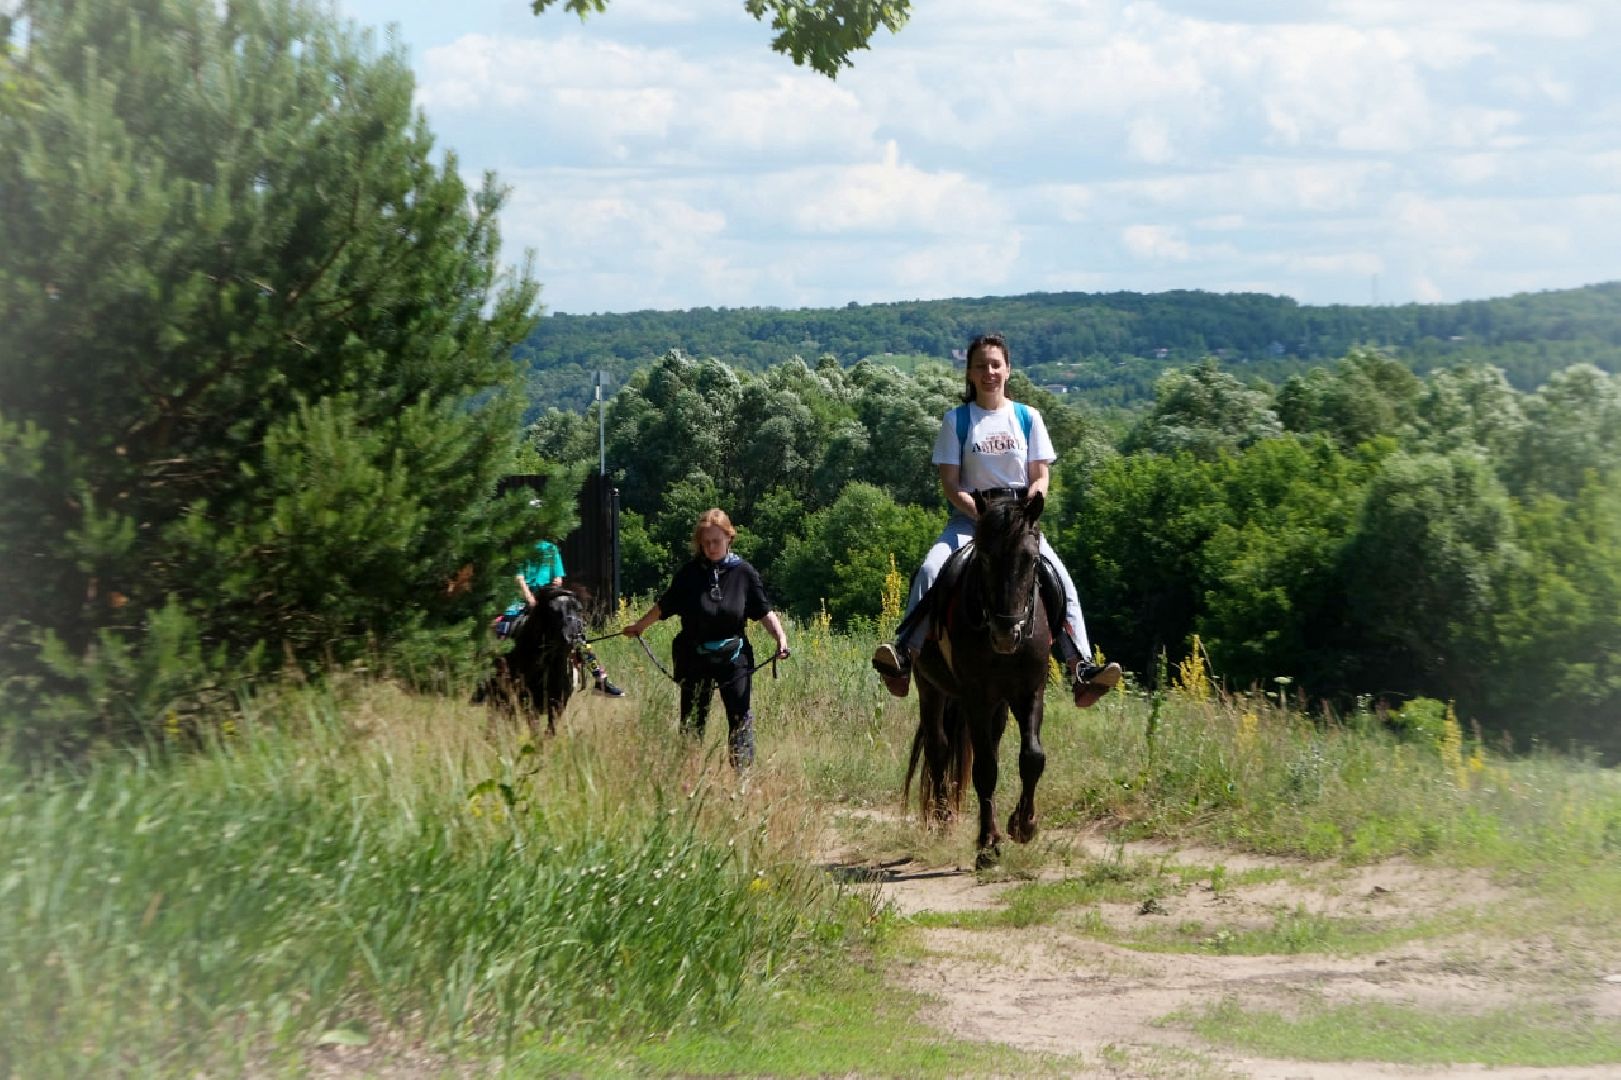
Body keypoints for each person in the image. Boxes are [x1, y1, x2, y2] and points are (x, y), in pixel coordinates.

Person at [871, 332, 1122, 708]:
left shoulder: (1027, 417)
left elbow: (1040, 475)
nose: (988, 372)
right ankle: (905, 656)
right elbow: (951, 485)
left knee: (1061, 580)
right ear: (969, 373)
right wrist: (985, 519)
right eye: (980, 366)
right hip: (970, 518)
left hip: (1019, 521)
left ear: (1007, 370)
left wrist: (1026, 511)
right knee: (930, 570)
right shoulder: (957, 420)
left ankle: (1080, 668)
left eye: (995, 365)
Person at [622, 508, 790, 769]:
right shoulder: (689, 574)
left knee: (740, 717)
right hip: (694, 656)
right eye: (706, 542)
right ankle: (688, 776)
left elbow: (763, 610)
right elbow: (664, 606)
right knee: (692, 721)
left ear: (729, 538)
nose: (711, 547)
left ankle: (742, 779)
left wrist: (781, 638)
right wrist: (639, 626)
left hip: (734, 656)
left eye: (716, 541)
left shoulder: (744, 573)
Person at [499, 538, 624, 697]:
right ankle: (493, 677)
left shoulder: (550, 549)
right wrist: (530, 599)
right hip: (520, 601)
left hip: (546, 600)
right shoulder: (520, 548)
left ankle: (599, 677)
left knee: (575, 634)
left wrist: (548, 599)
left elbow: (557, 580)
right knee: (503, 629)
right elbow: (519, 579)